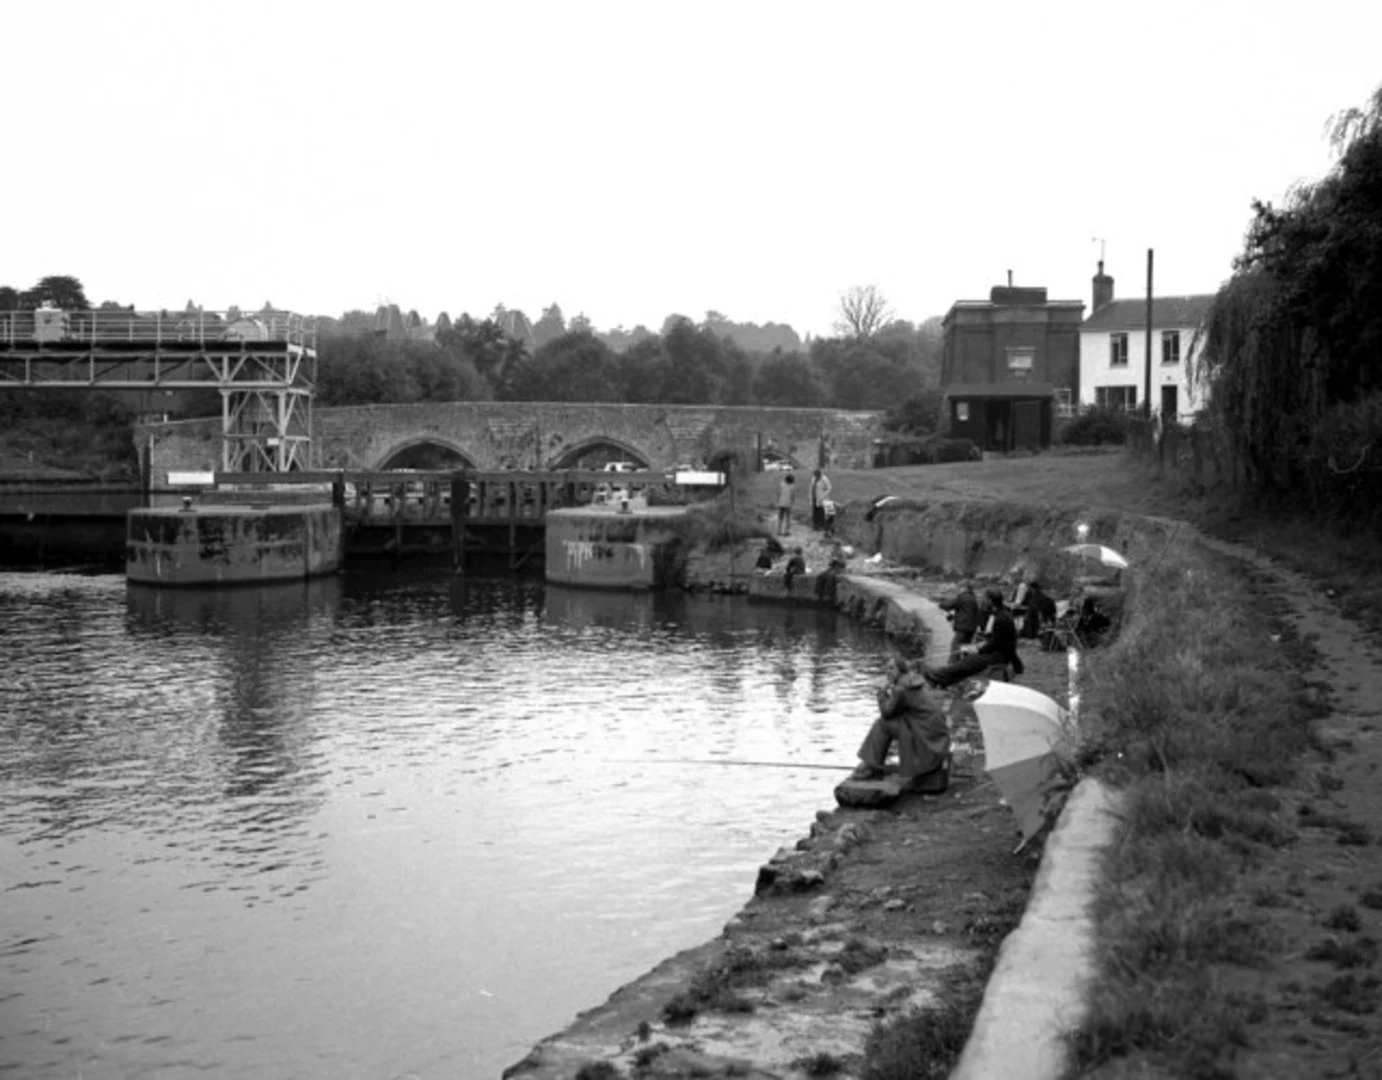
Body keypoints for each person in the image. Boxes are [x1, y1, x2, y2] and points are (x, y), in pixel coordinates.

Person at [849, 655, 951, 787]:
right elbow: (901, 708)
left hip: (924, 735)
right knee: (889, 722)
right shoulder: (915, 680)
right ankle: (872, 764)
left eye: (892, 668)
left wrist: (881, 693)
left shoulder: (901, 689)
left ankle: (872, 766)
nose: (888, 672)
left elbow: (886, 713)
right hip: (935, 734)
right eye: (886, 668)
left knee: (882, 724)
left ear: (901, 670)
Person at [926, 587, 1024, 688]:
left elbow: (996, 643)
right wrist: (980, 645)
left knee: (969, 662)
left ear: (990, 601)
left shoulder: (1001, 618)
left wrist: (978, 649)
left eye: (984, 599)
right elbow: (997, 639)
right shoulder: (1002, 614)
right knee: (968, 661)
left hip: (999, 656)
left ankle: (937, 675)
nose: (982, 601)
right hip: (999, 653)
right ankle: (942, 680)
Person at [937, 581, 980, 661]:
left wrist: (941, 603)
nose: (959, 589)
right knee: (966, 647)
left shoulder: (963, 597)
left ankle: (952, 665)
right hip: (972, 628)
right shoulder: (973, 598)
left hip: (964, 628)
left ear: (965, 588)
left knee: (955, 646)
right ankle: (966, 664)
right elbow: (967, 613)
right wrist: (954, 617)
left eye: (960, 587)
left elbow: (948, 605)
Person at [775, 471, 796, 536]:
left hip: (781, 503)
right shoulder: (792, 486)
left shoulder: (781, 484)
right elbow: (792, 496)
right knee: (788, 518)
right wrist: (793, 503)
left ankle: (778, 531)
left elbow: (778, 493)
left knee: (780, 518)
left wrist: (778, 501)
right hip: (788, 504)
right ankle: (786, 532)